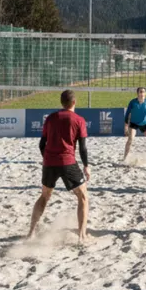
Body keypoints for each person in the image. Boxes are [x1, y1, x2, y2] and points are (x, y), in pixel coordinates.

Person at [28, 89, 90, 241]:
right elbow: (83, 147)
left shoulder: (50, 118)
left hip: (49, 162)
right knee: (83, 197)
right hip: (68, 162)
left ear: (61, 103)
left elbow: (42, 144)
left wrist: (47, 158)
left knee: (44, 196)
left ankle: (31, 233)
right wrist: (86, 166)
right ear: (74, 102)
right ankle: (82, 236)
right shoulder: (78, 120)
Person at [123, 86, 146, 161]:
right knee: (130, 139)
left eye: (143, 92)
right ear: (137, 93)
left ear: (145, 93)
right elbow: (127, 113)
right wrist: (126, 125)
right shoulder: (133, 102)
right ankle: (125, 157)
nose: (142, 93)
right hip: (133, 123)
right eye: (140, 92)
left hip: (144, 123)